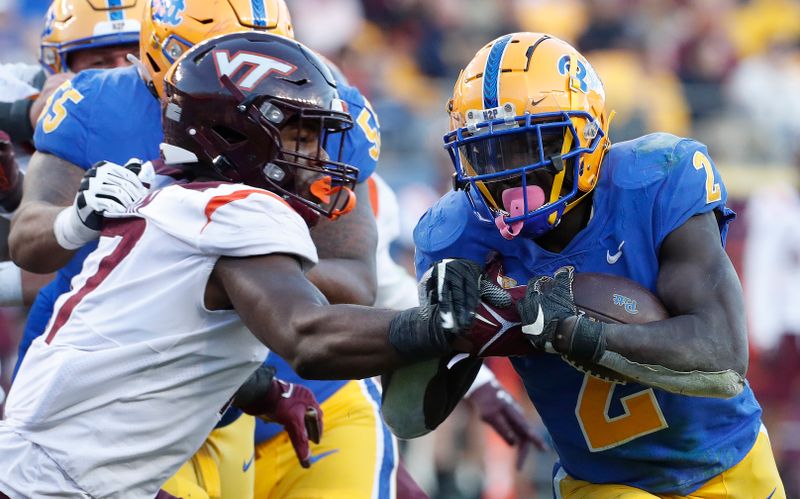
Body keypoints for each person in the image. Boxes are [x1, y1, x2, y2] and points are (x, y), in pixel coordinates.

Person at [0, 32, 474, 499]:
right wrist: (440, 324)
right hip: (57, 483)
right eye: (303, 136)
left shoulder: (170, 195)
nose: (321, 159)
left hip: (43, 469)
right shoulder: (231, 209)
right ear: (237, 135)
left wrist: (264, 393)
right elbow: (307, 336)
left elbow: (157, 349)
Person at [413, 32, 786, 497]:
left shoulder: (657, 178)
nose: (511, 172)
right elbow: (410, 414)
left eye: (535, 144)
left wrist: (583, 335)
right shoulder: (458, 233)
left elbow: (723, 354)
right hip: (599, 484)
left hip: (726, 464)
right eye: (490, 151)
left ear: (589, 132)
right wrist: (444, 330)